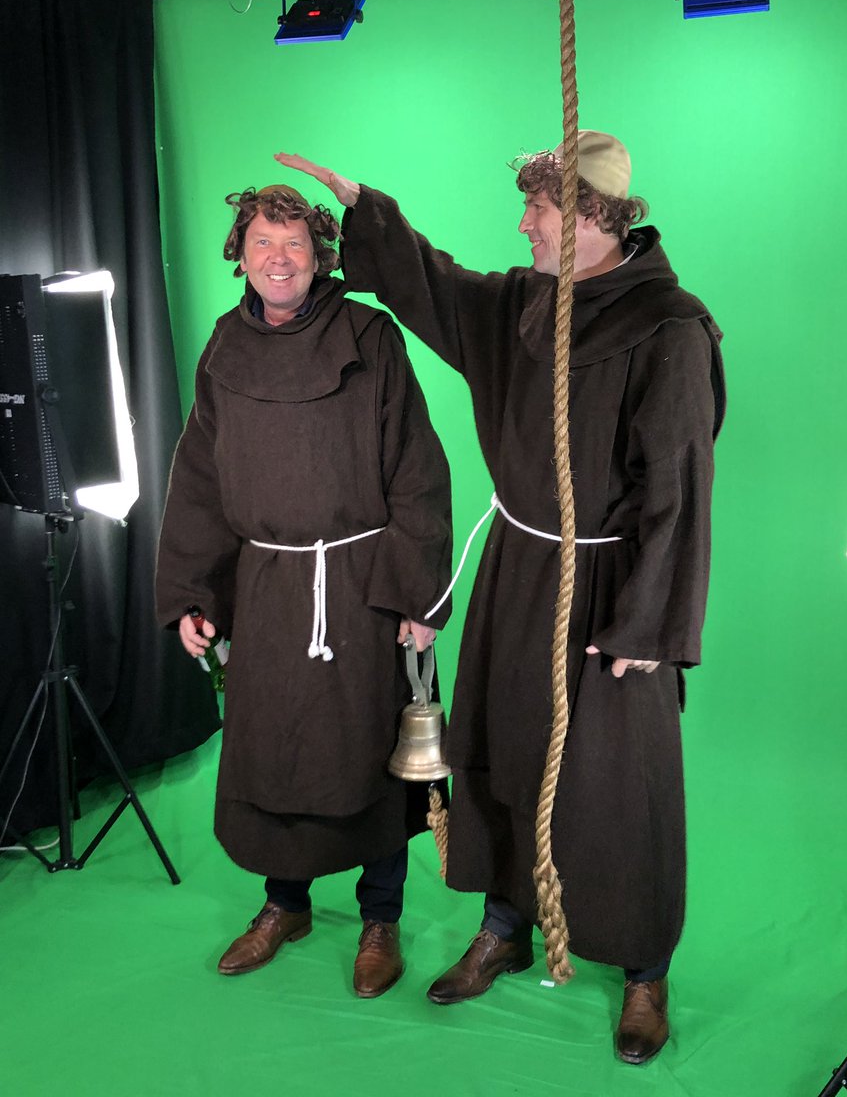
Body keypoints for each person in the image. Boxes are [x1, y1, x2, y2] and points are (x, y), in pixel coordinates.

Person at [275, 132, 725, 1064]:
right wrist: (366, 210)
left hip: (613, 584)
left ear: (594, 215)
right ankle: (507, 923)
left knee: (621, 780)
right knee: (501, 743)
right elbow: (436, 286)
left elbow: (679, 486)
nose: (524, 225)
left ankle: (644, 968)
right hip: (522, 564)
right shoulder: (524, 305)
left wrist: (650, 621)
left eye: (540, 209)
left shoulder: (670, 327)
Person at [156, 182, 452, 999]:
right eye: (262, 242)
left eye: (294, 244)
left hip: (361, 585)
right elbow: (201, 481)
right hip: (267, 588)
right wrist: (193, 593)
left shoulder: (369, 335)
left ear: (321, 257)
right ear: (240, 255)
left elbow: (417, 471)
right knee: (273, 747)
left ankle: (381, 917)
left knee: (371, 751)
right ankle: (284, 904)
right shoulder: (225, 347)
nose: (278, 259)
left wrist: (417, 595)